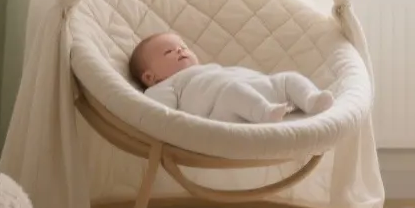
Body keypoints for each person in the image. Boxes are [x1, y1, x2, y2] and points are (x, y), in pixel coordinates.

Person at [128, 31, 334, 123]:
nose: (180, 51)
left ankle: (310, 99)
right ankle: (264, 113)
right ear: (150, 76)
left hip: (260, 86)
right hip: (223, 108)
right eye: (169, 52)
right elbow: (158, 115)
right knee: (232, 91)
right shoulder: (165, 86)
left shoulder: (208, 69)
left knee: (288, 78)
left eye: (183, 47)